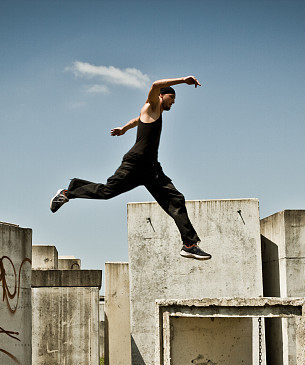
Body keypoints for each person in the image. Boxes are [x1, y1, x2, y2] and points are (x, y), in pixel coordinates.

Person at [49, 75, 211, 260]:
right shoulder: (153, 104)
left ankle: (189, 245)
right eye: (172, 98)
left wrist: (124, 129)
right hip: (134, 165)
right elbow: (155, 84)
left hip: (151, 169)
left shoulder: (152, 113)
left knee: (176, 199)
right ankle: (68, 193)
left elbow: (138, 120)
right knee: (107, 192)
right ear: (162, 96)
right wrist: (184, 80)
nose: (173, 103)